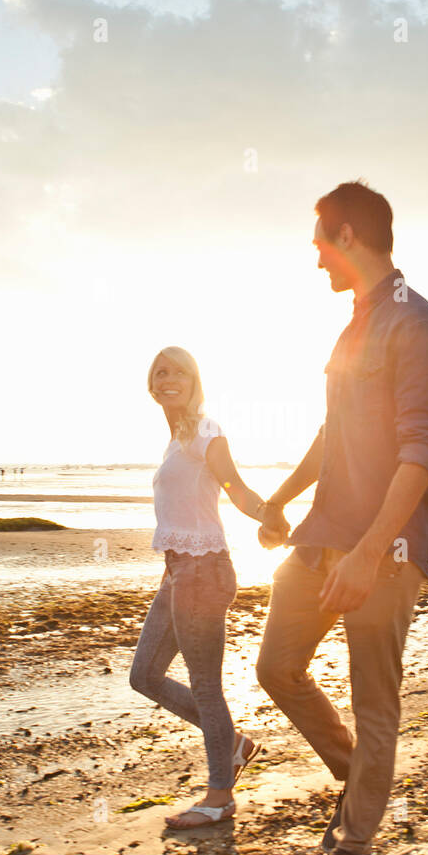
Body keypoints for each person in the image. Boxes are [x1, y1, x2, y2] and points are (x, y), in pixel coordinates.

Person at [255, 180, 428, 855]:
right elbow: (330, 432)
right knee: (276, 668)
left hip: (384, 553)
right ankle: (358, 779)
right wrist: (282, 499)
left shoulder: (418, 324)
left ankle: (353, 842)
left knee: (375, 707)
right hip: (318, 538)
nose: (314, 259)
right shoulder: (354, 324)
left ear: (348, 237)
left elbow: (420, 451)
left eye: (319, 242)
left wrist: (373, 553)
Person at [129, 346, 272, 828]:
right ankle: (232, 744)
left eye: (179, 372)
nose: (169, 379)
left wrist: (271, 518)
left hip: (204, 572)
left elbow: (234, 486)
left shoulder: (205, 432)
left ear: (195, 382)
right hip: (177, 572)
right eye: (160, 372)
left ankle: (219, 797)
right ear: (152, 386)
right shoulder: (175, 440)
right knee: (144, 676)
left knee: (206, 688)